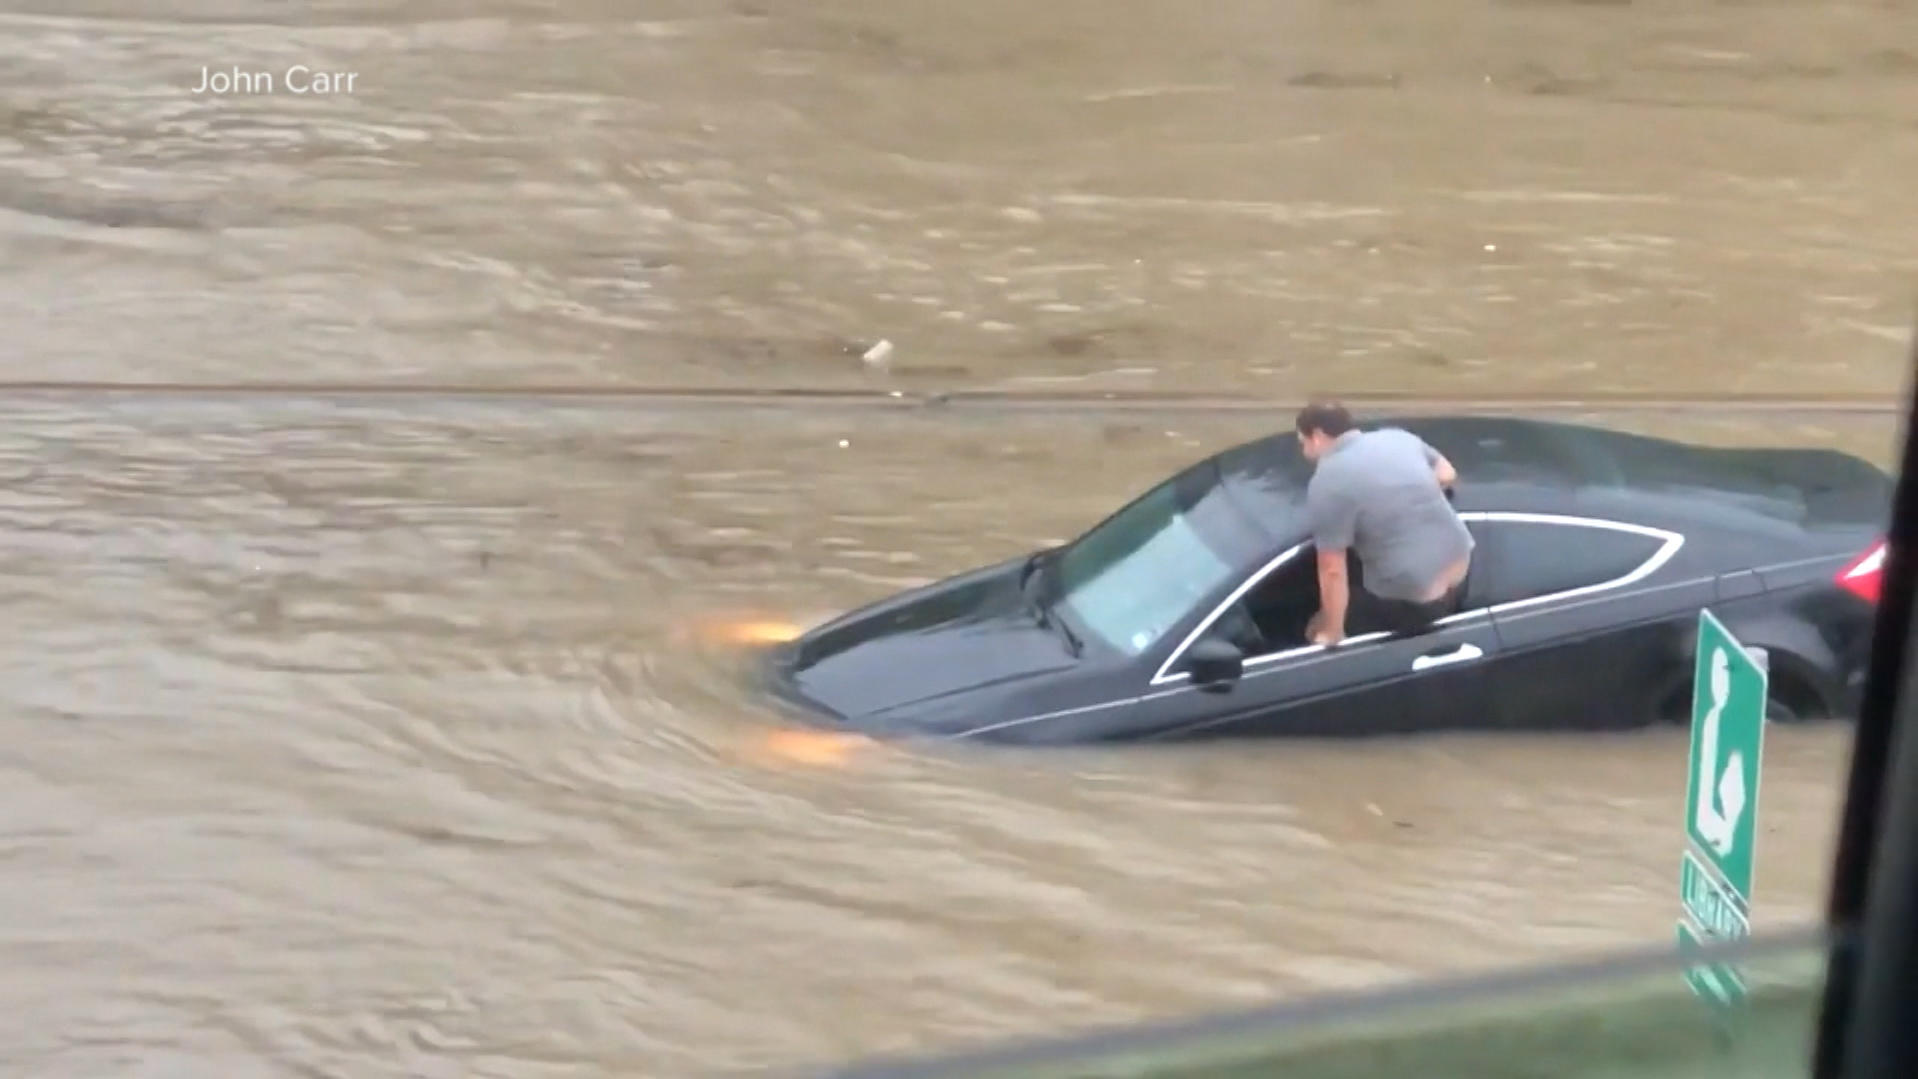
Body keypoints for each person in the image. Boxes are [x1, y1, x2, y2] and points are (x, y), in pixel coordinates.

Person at [1295, 401, 1473, 645]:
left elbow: (1332, 571)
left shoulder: (1327, 482)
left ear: (1316, 436)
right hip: (1460, 571)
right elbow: (1446, 473)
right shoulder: (1397, 438)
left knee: (1313, 626)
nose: (1304, 451)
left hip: (1415, 602)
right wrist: (1405, 497)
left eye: (1302, 442)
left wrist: (1332, 632)